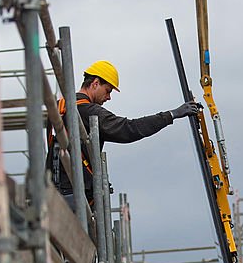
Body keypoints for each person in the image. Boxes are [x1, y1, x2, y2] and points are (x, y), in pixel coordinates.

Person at [48, 59, 198, 206]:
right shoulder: (88, 112)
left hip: (52, 187)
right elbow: (129, 129)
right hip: (72, 195)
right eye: (107, 90)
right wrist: (171, 114)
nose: (108, 97)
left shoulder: (59, 107)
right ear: (95, 84)